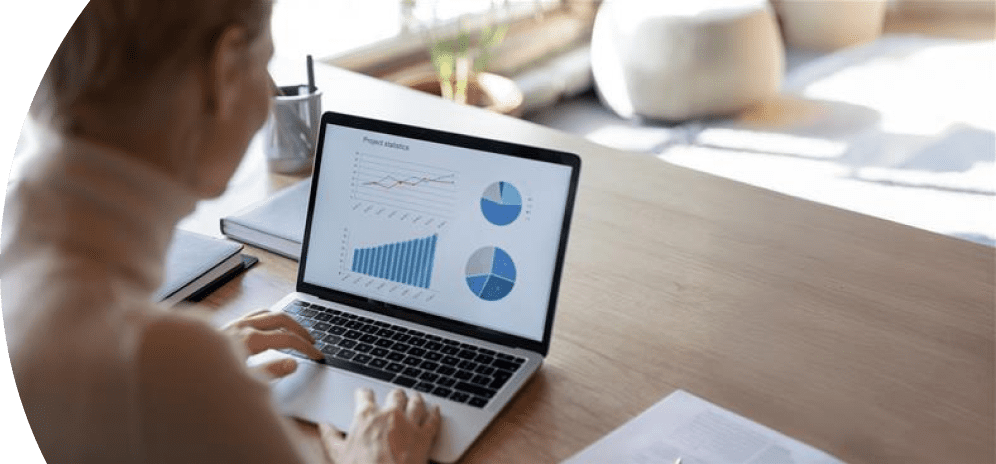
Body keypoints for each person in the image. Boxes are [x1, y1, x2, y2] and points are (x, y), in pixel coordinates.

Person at [0, 0, 440, 462]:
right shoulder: (156, 364)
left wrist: (180, 368)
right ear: (225, 69)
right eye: (266, 65)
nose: (268, 98)